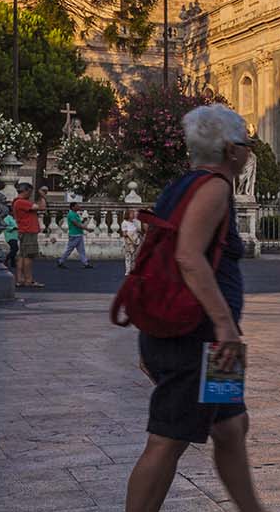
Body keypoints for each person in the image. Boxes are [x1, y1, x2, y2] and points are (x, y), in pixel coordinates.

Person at [123, 104, 266, 512]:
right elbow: (187, 257)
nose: (248, 152)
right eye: (245, 145)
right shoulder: (214, 187)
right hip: (199, 339)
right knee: (168, 438)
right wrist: (225, 326)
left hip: (204, 342)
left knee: (231, 426)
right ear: (230, 150)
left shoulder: (182, 186)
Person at [9, 181, 42, 288]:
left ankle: (20, 279)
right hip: (28, 231)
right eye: (30, 192)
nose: (30, 195)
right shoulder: (22, 202)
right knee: (28, 256)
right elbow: (41, 207)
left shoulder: (17, 202)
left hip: (24, 230)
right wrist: (43, 196)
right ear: (26, 191)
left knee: (22, 256)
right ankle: (28, 279)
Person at [57, 200, 92, 268]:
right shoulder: (71, 214)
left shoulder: (75, 214)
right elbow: (76, 224)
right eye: (77, 206)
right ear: (73, 207)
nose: (78, 207)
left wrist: (84, 221)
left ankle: (86, 263)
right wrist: (87, 229)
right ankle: (60, 261)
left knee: (81, 250)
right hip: (74, 235)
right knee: (69, 250)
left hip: (78, 234)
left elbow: (79, 223)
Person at [120, 210, 144, 276]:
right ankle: (128, 270)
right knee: (128, 257)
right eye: (132, 214)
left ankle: (133, 270)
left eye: (133, 214)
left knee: (134, 257)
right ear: (128, 215)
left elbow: (138, 230)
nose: (133, 215)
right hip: (128, 242)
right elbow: (124, 234)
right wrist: (131, 238)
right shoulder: (124, 223)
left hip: (135, 241)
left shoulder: (135, 222)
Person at [1, 207, 19, 275]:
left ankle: (12, 262)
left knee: (14, 249)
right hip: (9, 236)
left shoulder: (14, 218)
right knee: (15, 248)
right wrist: (13, 228)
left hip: (15, 236)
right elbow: (5, 226)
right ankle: (6, 259)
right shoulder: (7, 218)